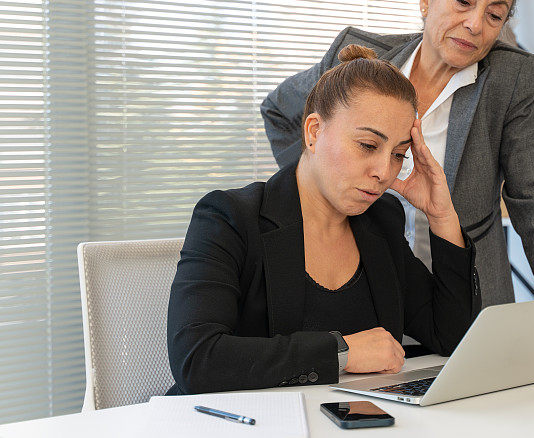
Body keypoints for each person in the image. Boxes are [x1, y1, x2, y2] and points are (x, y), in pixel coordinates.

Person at [261, 0, 534, 360]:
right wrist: (317, 195)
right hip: (360, 292)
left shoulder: (508, 81)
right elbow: (280, 111)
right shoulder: (359, 59)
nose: (475, 24)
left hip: (463, 299)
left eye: (495, 15)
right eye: (463, 1)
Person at [167, 45, 480, 395]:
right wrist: (342, 352)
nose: (383, 172)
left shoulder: (381, 222)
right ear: (314, 132)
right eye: (366, 145)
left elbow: (453, 337)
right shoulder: (230, 218)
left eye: (397, 155)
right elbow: (196, 359)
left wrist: (442, 216)